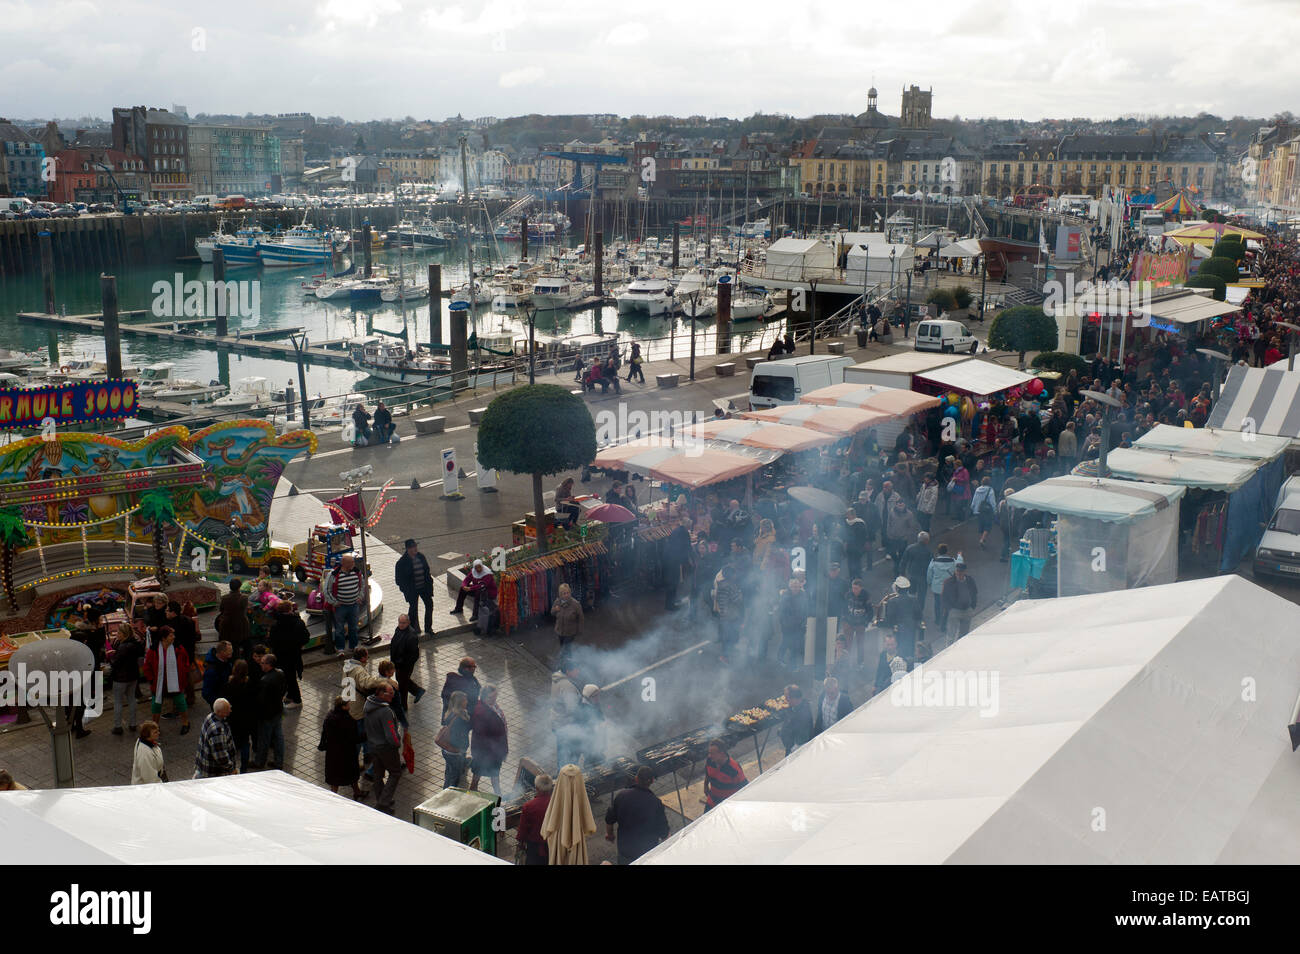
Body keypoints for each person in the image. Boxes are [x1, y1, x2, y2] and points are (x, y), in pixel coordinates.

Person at [604, 765, 670, 864]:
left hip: (625, 851)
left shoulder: (622, 796)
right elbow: (664, 832)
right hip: (647, 854)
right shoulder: (656, 803)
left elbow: (609, 820)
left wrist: (610, 835)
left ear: (636, 778)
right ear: (652, 781)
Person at [143, 628, 191, 735]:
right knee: (156, 706)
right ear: (163, 638)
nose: (173, 637)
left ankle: (186, 723)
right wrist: (151, 679)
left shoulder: (178, 648)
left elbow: (186, 663)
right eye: (170, 635)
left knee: (180, 703)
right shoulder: (154, 649)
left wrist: (183, 677)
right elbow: (147, 666)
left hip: (175, 683)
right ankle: (155, 726)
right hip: (159, 684)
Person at [365, 681, 404, 813]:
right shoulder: (386, 711)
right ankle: (383, 802)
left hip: (373, 745)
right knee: (395, 773)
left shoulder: (368, 705)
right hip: (386, 748)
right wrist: (397, 743)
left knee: (378, 773)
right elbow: (391, 734)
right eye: (390, 693)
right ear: (381, 694)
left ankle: (382, 797)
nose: (393, 696)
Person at [320, 696, 363, 800]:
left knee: (334, 777)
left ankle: (334, 797)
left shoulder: (330, 716)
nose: (350, 706)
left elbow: (324, 733)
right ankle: (357, 792)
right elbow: (355, 738)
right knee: (351, 774)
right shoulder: (348, 720)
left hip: (333, 753)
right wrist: (367, 735)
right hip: (347, 753)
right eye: (348, 704)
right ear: (343, 707)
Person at [469, 684, 509, 795]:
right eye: (491, 697)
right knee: (491, 773)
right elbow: (482, 733)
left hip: (490, 750)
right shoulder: (481, 711)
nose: (494, 700)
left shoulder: (490, 706)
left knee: (480, 772)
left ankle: (474, 791)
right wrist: (500, 750)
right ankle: (498, 795)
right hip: (488, 751)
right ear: (484, 696)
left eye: (496, 697)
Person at [268, 602, 308, 708]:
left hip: (281, 655)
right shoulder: (298, 622)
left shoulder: (276, 624)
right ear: (290, 610)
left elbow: (271, 641)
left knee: (288, 677)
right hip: (294, 654)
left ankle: (297, 699)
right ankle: (291, 695)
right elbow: (305, 638)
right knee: (290, 676)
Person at [323, 554, 366, 653]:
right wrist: (334, 602)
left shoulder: (356, 572)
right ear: (344, 564)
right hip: (340, 607)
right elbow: (326, 590)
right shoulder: (333, 574)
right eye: (351, 562)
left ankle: (353, 646)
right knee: (339, 629)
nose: (353, 564)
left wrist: (360, 597)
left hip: (354, 605)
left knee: (354, 627)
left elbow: (362, 584)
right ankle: (340, 648)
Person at [108, 624, 145, 735]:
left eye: (119, 633)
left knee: (118, 702)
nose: (117, 634)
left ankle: (118, 726)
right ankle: (133, 724)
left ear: (124, 634)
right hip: (133, 676)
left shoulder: (123, 646)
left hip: (120, 678)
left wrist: (110, 658)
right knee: (131, 699)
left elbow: (116, 663)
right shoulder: (135, 644)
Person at [252, 653, 286, 770]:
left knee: (264, 739)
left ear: (269, 665)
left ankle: (260, 762)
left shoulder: (265, 680)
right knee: (278, 737)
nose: (261, 665)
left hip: (267, 715)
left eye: (262, 663)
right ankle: (279, 762)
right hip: (278, 711)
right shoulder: (280, 673)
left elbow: (261, 701)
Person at [395, 538, 434, 636]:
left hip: (424, 588)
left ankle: (428, 628)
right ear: (408, 549)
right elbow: (399, 580)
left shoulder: (421, 557)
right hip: (412, 590)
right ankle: (412, 630)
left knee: (429, 605)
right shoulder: (401, 562)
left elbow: (427, 571)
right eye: (412, 547)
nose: (415, 549)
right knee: (413, 609)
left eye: (415, 546)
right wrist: (406, 590)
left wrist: (430, 585)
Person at [224, 659, 256, 773]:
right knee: (245, 743)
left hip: (233, 719)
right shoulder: (249, 684)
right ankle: (244, 769)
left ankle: (232, 767)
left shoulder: (229, 685)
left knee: (231, 744)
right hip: (246, 719)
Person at [551, 660, 584, 770]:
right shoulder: (567, 686)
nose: (578, 671)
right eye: (576, 670)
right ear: (568, 671)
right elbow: (572, 709)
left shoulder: (557, 679)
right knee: (570, 754)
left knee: (562, 752)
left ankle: (561, 772)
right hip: (566, 725)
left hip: (557, 722)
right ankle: (568, 775)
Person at [193, 699, 239, 778]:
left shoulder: (210, 717)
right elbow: (221, 756)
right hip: (213, 772)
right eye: (228, 709)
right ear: (220, 712)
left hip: (203, 765)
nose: (230, 710)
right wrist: (232, 769)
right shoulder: (217, 731)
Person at [389, 613, 425, 711]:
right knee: (401, 680)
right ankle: (418, 691)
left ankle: (403, 706)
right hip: (397, 662)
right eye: (400, 622)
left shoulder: (411, 636)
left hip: (405, 665)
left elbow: (414, 655)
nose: (401, 625)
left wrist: (404, 663)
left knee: (402, 685)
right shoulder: (398, 629)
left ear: (408, 622)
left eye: (403, 623)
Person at [516, 774, 554, 865]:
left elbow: (523, 830)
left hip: (535, 848)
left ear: (536, 788)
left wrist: (520, 844)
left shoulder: (529, 806)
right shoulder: (557, 804)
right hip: (554, 845)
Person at [440, 690, 472, 789]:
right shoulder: (459, 719)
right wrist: (460, 749)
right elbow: (456, 737)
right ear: (460, 703)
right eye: (465, 700)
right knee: (454, 778)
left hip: (447, 751)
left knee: (449, 774)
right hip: (454, 753)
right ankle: (447, 796)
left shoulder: (450, 713)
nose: (467, 701)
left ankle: (444, 793)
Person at [776, 576, 811, 668]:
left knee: (796, 644)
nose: (795, 588)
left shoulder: (804, 596)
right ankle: (780, 658)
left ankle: (793, 665)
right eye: (793, 586)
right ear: (790, 587)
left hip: (799, 626)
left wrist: (804, 622)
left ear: (800, 586)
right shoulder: (785, 597)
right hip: (787, 626)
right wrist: (785, 624)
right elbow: (782, 613)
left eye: (797, 586)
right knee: (786, 642)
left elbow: (806, 610)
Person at [703, 739, 747, 810]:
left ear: (722, 753)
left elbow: (744, 787)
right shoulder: (710, 760)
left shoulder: (734, 769)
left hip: (728, 804)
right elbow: (708, 773)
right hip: (712, 800)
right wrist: (705, 786)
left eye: (712, 753)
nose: (710, 756)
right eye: (709, 753)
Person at [661, 515, 693, 610]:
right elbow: (687, 548)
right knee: (673, 582)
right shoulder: (684, 533)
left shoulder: (676, 530)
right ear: (688, 525)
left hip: (668, 559)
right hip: (673, 561)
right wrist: (688, 560)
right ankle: (670, 606)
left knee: (672, 582)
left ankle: (672, 601)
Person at [942, 559, 978, 639]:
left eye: (961, 571)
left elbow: (974, 593)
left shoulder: (970, 580)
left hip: (967, 610)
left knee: (963, 636)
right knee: (951, 635)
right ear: (955, 571)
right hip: (954, 610)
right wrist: (949, 609)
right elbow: (944, 597)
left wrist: (972, 607)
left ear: (965, 571)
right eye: (957, 571)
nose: (959, 573)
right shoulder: (949, 582)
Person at [217, 578, 251, 660]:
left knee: (232, 644)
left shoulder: (224, 598)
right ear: (239, 587)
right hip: (240, 625)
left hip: (227, 625)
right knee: (244, 644)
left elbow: (221, 609)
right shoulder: (244, 598)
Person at [926, 543, 958, 627]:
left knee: (937, 604)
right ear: (946, 551)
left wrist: (929, 583)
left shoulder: (934, 561)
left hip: (937, 587)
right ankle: (945, 620)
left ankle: (937, 619)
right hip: (949, 587)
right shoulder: (953, 561)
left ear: (938, 551)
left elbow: (929, 574)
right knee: (947, 604)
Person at [440, 656, 481, 721]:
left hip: (449, 714)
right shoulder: (469, 682)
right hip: (461, 717)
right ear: (467, 668)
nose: (475, 668)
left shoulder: (451, 677)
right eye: (474, 666)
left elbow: (443, 695)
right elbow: (473, 699)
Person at [778, 684, 813, 756]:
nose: (786, 701)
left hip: (795, 749)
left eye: (787, 699)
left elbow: (802, 737)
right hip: (789, 745)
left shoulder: (804, 713)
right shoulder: (794, 706)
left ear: (794, 699)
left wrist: (793, 750)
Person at [200, 640, 234, 712]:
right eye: (230, 650)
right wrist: (218, 704)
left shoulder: (227, 661)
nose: (232, 652)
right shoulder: (211, 670)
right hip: (219, 706)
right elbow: (206, 693)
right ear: (222, 652)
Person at [551, 583, 583, 654]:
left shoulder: (576, 604)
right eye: (564, 593)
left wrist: (579, 631)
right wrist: (555, 609)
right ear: (560, 594)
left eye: (568, 593)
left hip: (570, 633)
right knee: (563, 647)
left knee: (565, 649)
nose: (566, 595)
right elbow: (552, 613)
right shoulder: (557, 602)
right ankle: (567, 661)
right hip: (560, 631)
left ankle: (564, 663)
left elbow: (580, 618)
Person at [972, 476, 997, 548]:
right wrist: (995, 510)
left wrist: (973, 507)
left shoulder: (977, 489)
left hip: (978, 510)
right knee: (988, 526)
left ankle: (983, 538)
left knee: (981, 525)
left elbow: (974, 499)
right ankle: (982, 539)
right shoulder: (990, 490)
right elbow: (992, 501)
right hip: (987, 511)